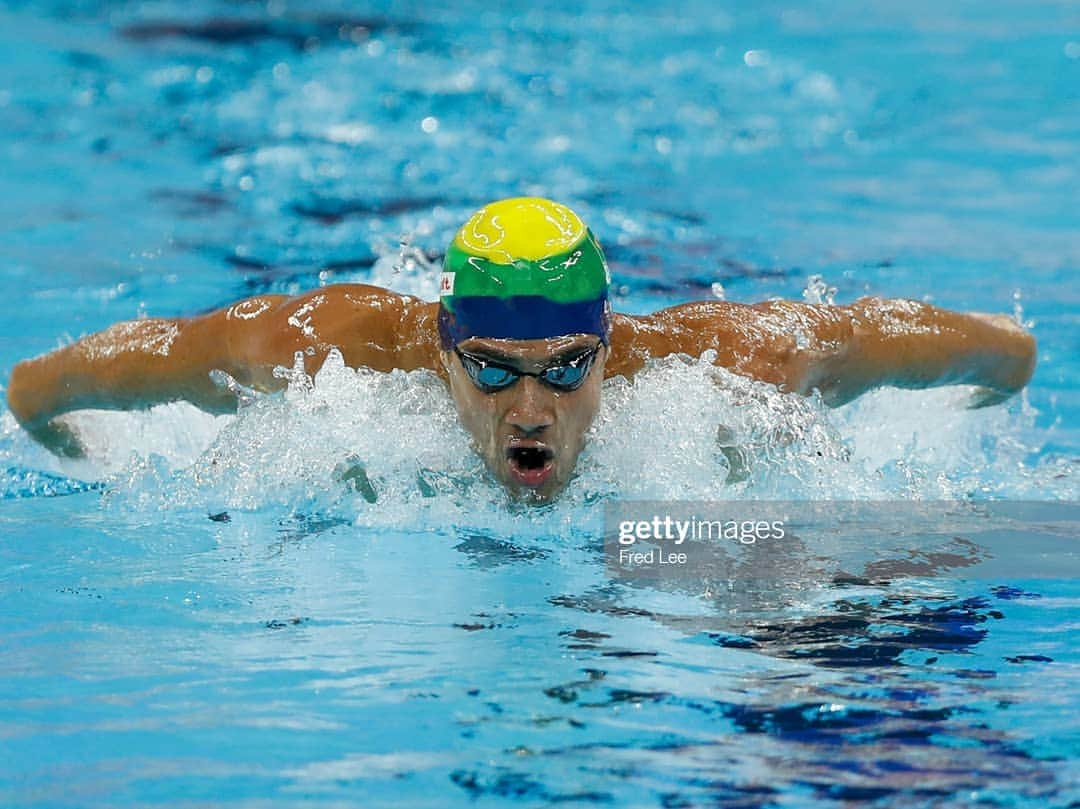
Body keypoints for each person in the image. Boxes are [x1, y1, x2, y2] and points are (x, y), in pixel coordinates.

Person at [6, 197, 1036, 502]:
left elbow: (999, 351)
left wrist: (987, 395)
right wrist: (79, 452)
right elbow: (43, 385)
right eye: (494, 369)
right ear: (444, 352)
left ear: (606, 346)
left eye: (564, 370)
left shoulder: (724, 359)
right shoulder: (317, 350)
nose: (530, 407)